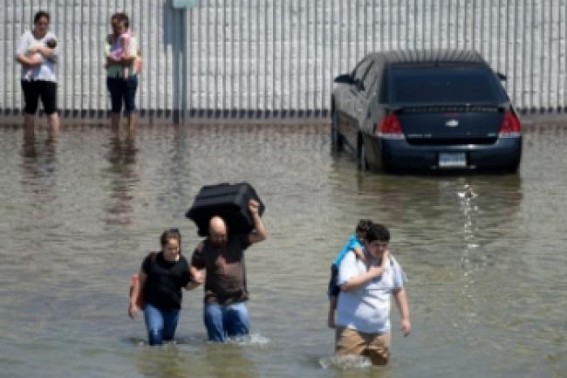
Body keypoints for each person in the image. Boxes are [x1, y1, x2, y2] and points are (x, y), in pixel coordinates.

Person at [190, 199, 267, 342]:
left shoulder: (237, 240)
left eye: (223, 235)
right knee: (216, 345)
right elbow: (194, 266)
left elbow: (261, 236)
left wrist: (255, 214)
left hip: (238, 300)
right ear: (209, 233)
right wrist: (195, 273)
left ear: (227, 230)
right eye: (216, 236)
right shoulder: (203, 247)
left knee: (241, 343)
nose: (220, 239)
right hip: (214, 302)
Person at [335, 223, 411, 366]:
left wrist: (405, 318)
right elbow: (345, 286)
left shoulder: (391, 262)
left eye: (384, 245)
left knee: (380, 371)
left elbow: (398, 289)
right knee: (347, 371)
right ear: (366, 242)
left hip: (381, 331)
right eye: (376, 245)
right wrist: (371, 274)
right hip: (352, 329)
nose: (380, 249)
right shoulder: (352, 258)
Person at [128, 228, 199, 346]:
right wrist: (133, 303)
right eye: (169, 249)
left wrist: (197, 283)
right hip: (153, 305)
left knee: (167, 342)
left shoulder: (182, 263)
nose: (173, 251)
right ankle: (152, 361)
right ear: (163, 246)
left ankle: (164, 363)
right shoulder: (152, 260)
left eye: (176, 248)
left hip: (173, 309)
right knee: (155, 337)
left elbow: (187, 286)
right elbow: (140, 282)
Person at [15, 10, 60, 131]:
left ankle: (54, 142)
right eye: (40, 23)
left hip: (48, 79)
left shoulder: (51, 37)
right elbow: (19, 55)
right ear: (35, 23)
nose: (42, 26)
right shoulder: (27, 36)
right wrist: (31, 63)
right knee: (30, 109)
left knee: (51, 110)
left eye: (45, 23)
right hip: (30, 79)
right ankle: (29, 141)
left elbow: (54, 55)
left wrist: (38, 48)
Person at [327, 219, 376, 329]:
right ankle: (330, 318)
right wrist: (371, 265)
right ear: (357, 232)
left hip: (347, 269)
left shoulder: (364, 242)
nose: (362, 239)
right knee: (334, 292)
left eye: (365, 237)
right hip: (337, 266)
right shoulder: (354, 240)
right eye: (361, 236)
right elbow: (360, 254)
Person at [104, 12, 140, 130]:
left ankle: (130, 136)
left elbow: (131, 58)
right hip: (113, 77)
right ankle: (115, 136)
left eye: (119, 27)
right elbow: (108, 56)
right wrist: (122, 60)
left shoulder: (131, 39)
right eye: (114, 26)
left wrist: (113, 62)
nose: (116, 29)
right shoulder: (109, 39)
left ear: (126, 27)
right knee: (115, 107)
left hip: (129, 77)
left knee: (130, 106)